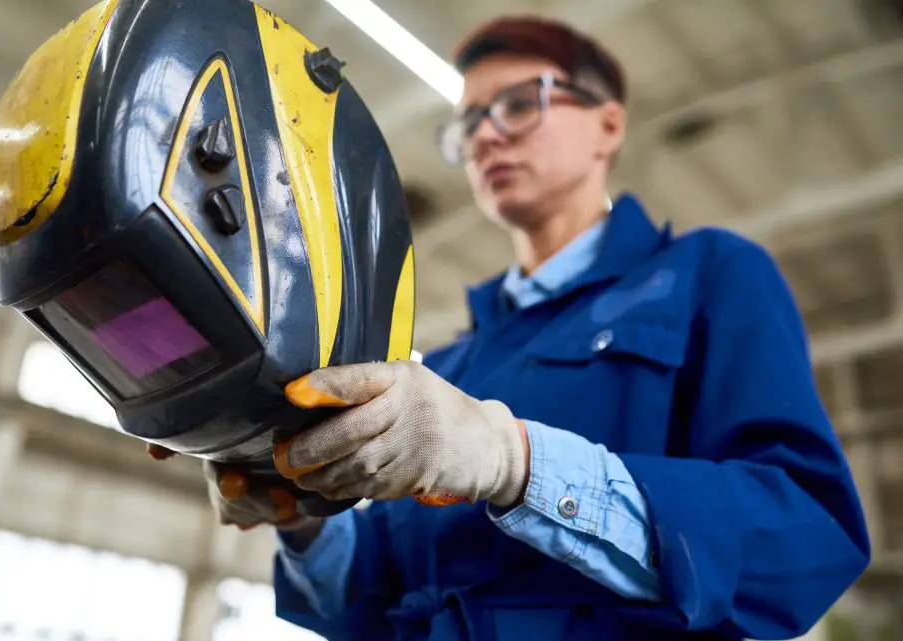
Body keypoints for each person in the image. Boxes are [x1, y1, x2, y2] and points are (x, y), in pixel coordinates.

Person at [192, 15, 871, 641]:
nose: (487, 133)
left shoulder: (711, 274)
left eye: (520, 103)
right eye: (469, 124)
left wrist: (514, 458)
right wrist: (302, 518)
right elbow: (371, 600)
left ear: (607, 125)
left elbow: (805, 534)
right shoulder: (448, 369)